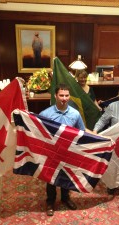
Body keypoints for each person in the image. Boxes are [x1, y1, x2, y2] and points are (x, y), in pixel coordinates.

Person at [39, 83, 86, 216]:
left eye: (66, 95)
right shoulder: (45, 114)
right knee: (50, 179)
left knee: (66, 177)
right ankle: (50, 202)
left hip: (68, 152)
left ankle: (66, 198)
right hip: (51, 152)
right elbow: (38, 132)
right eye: (61, 95)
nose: (64, 98)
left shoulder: (75, 114)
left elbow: (81, 132)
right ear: (55, 96)